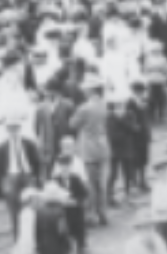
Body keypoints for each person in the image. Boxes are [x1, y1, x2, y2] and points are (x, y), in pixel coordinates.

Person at [69, 76, 110, 226]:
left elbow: (72, 124)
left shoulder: (84, 108)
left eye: (86, 89)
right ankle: (103, 213)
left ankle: (92, 215)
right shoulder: (104, 104)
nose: (84, 91)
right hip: (103, 146)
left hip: (88, 148)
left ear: (91, 90)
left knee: (90, 184)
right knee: (102, 184)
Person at [0, 112, 43, 237]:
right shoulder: (1, 147)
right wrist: (0, 188)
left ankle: (34, 236)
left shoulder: (29, 143)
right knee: (14, 210)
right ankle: (18, 238)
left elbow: (37, 163)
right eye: (11, 128)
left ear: (19, 128)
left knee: (32, 206)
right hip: (11, 177)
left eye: (15, 128)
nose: (13, 131)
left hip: (27, 176)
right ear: (7, 129)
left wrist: (37, 179)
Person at [51, 154, 88, 253]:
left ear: (70, 167)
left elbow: (84, 194)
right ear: (59, 167)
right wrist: (60, 201)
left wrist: (76, 201)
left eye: (67, 166)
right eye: (63, 167)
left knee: (79, 221)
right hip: (61, 210)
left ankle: (81, 245)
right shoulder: (55, 180)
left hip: (75, 209)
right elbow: (51, 197)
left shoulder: (76, 178)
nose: (65, 169)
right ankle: (63, 246)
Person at [12, 188, 40, 254]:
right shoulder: (30, 214)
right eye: (37, 199)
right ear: (30, 200)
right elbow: (29, 237)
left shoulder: (24, 212)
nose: (39, 201)